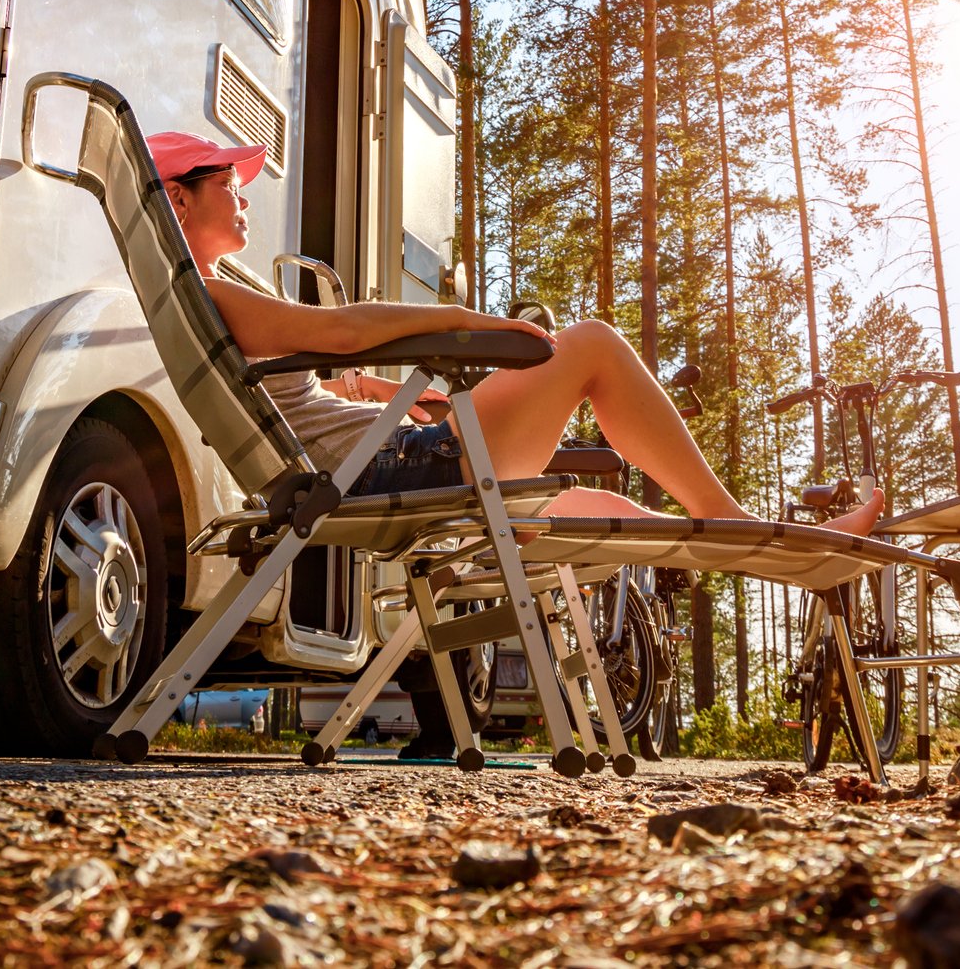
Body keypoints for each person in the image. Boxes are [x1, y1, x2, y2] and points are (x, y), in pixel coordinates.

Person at [150, 131, 884, 752]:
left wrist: (392, 395)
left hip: (390, 458)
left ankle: (793, 562)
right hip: (395, 470)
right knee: (592, 345)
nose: (243, 191)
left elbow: (321, 385)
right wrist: (483, 327)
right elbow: (344, 332)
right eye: (225, 180)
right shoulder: (215, 294)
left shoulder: (211, 294)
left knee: (596, 505)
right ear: (179, 198)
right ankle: (744, 525)